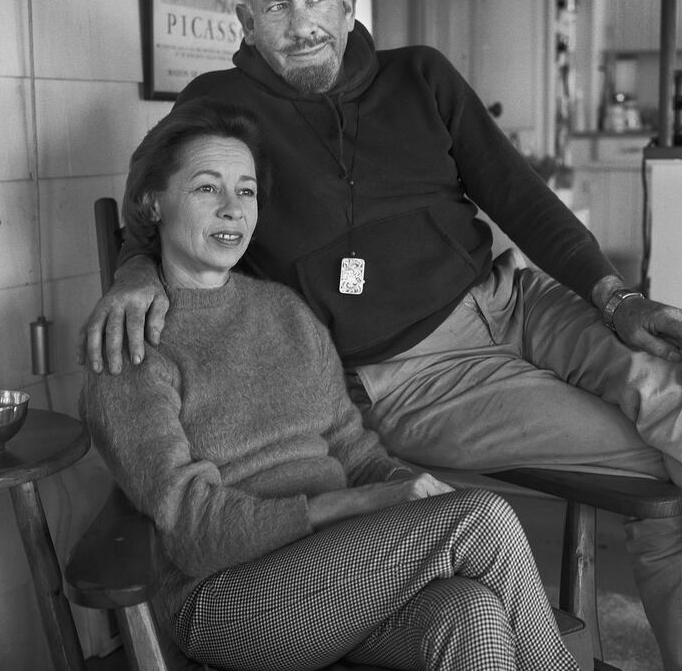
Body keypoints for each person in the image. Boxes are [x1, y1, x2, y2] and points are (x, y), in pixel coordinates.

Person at [82, 0, 682, 671]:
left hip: (509, 299)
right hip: (411, 373)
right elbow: (158, 198)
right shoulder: (220, 105)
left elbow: (517, 194)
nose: (303, 23)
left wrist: (616, 297)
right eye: (276, 8)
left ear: (347, 0)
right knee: (680, 471)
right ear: (245, 23)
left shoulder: (421, 75)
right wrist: (132, 270)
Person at [81, 98, 579, 671]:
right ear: (152, 203)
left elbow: (353, 450)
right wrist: (368, 503)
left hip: (347, 575)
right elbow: (195, 533)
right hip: (229, 598)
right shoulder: (129, 344)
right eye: (205, 189)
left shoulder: (285, 312)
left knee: (472, 613)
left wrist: (407, 487)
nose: (231, 210)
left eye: (245, 191)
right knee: (480, 519)